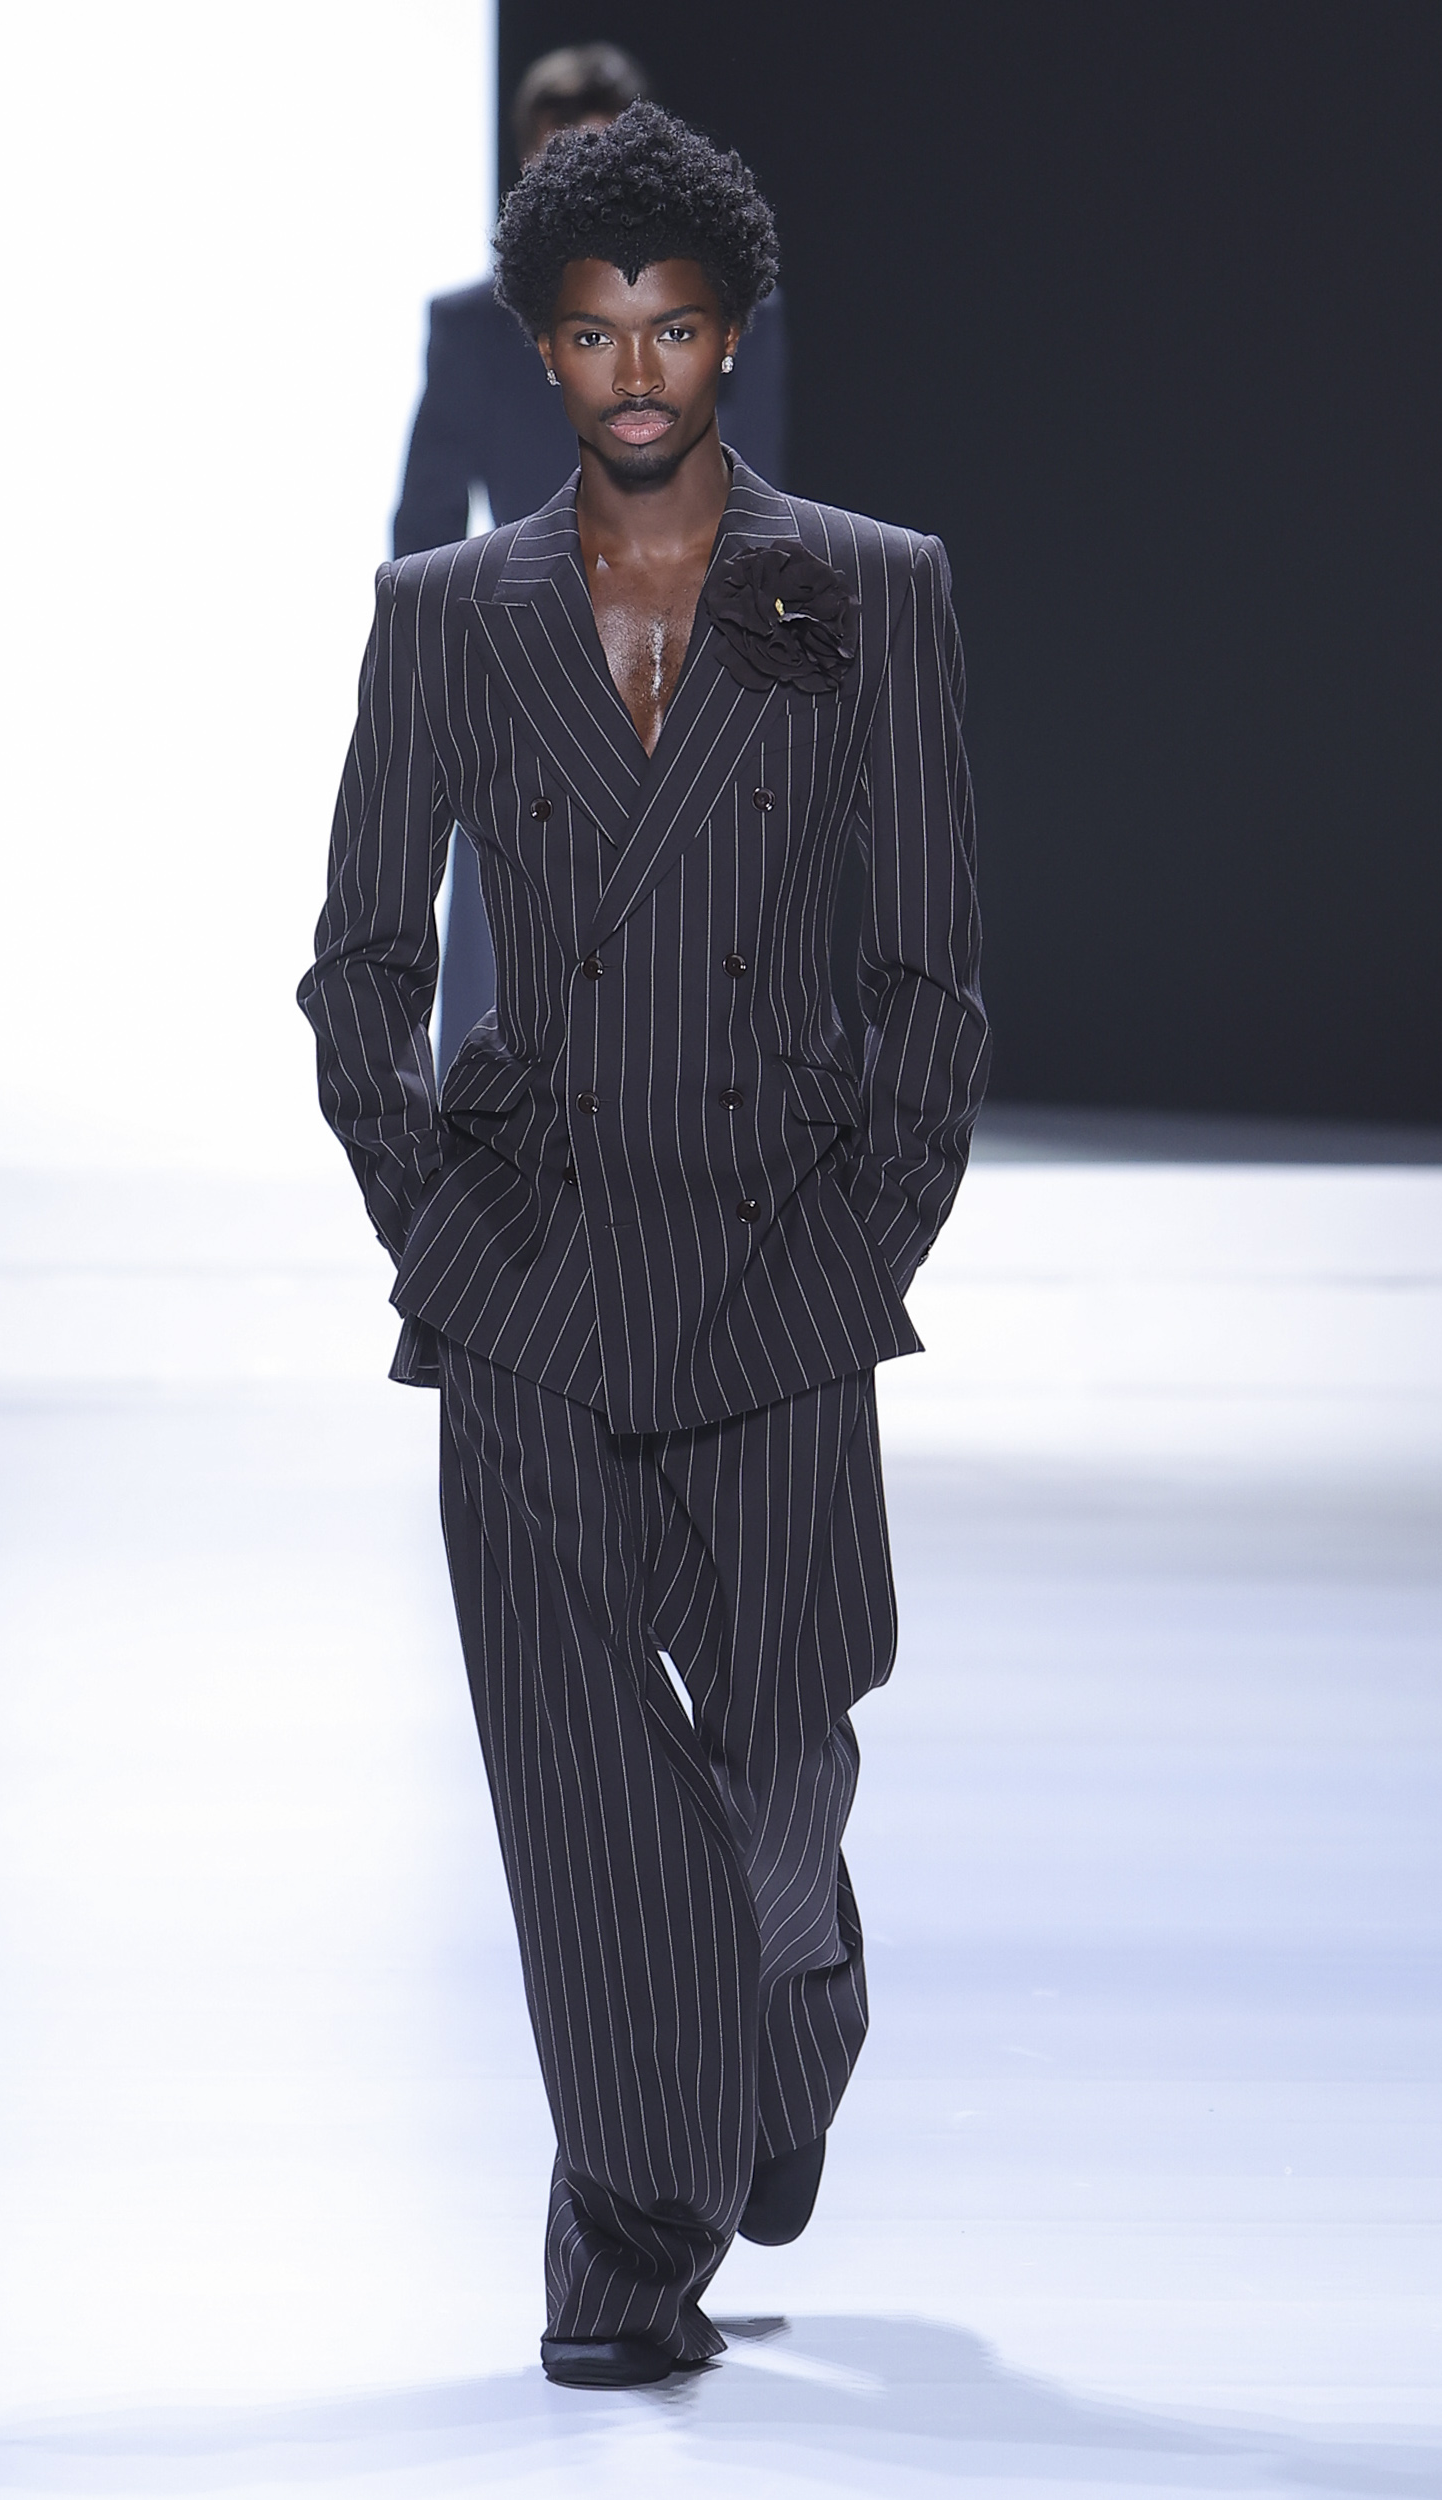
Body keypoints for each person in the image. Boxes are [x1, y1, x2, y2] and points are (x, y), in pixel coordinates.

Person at [299, 104, 988, 2389]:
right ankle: (624, 2246)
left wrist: (870, 1224)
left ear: (727, 336)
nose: (631, 365)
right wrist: (429, 1214)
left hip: (778, 1255)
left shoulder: (859, 591)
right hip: (529, 1262)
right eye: (591, 328)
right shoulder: (448, 616)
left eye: (669, 325)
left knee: (779, 1747)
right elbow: (359, 959)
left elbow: (928, 968)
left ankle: (789, 1984)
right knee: (581, 1790)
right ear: (541, 345)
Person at [393, 45, 788, 1074]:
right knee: (499, 913)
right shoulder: (470, 328)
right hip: (526, 648)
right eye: (561, 157)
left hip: (685, 649)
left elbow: (758, 490)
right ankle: (486, 1144)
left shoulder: (725, 320)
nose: (584, 182)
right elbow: (426, 510)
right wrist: (444, 659)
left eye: (605, 156)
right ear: (526, 165)